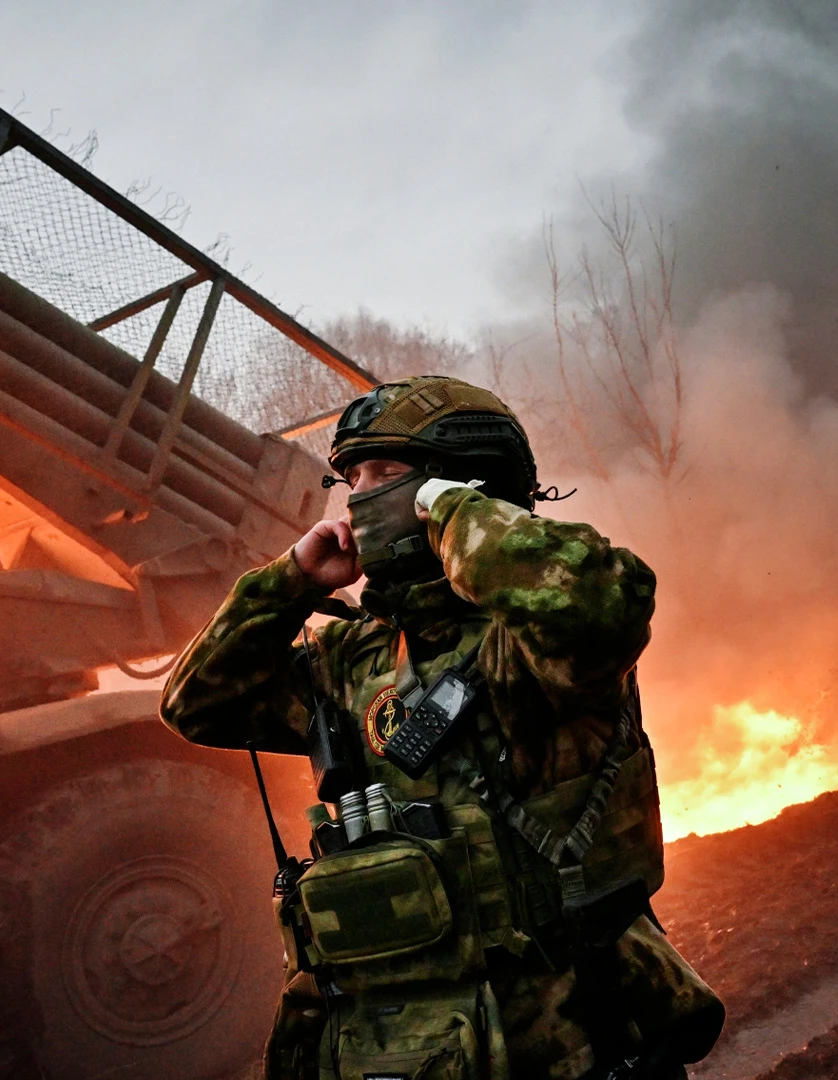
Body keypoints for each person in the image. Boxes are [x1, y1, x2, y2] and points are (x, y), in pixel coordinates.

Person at [161, 376, 723, 1079]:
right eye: (353, 476)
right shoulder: (352, 656)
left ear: (464, 487)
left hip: (560, 1038)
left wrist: (451, 509)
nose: (361, 496)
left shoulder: (526, 643)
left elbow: (602, 604)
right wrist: (289, 582)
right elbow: (193, 703)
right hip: (393, 1039)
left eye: (387, 473)